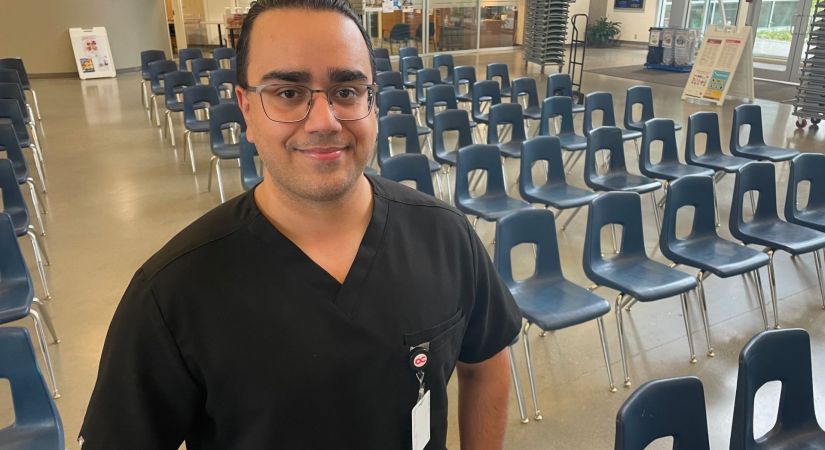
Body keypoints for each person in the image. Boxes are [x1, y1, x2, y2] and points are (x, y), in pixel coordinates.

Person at [79, 0, 521, 448]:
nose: (324, 121)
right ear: (246, 108)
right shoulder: (173, 292)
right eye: (289, 93)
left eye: (346, 91)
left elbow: (486, 362)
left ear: (373, 101)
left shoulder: (445, 237)